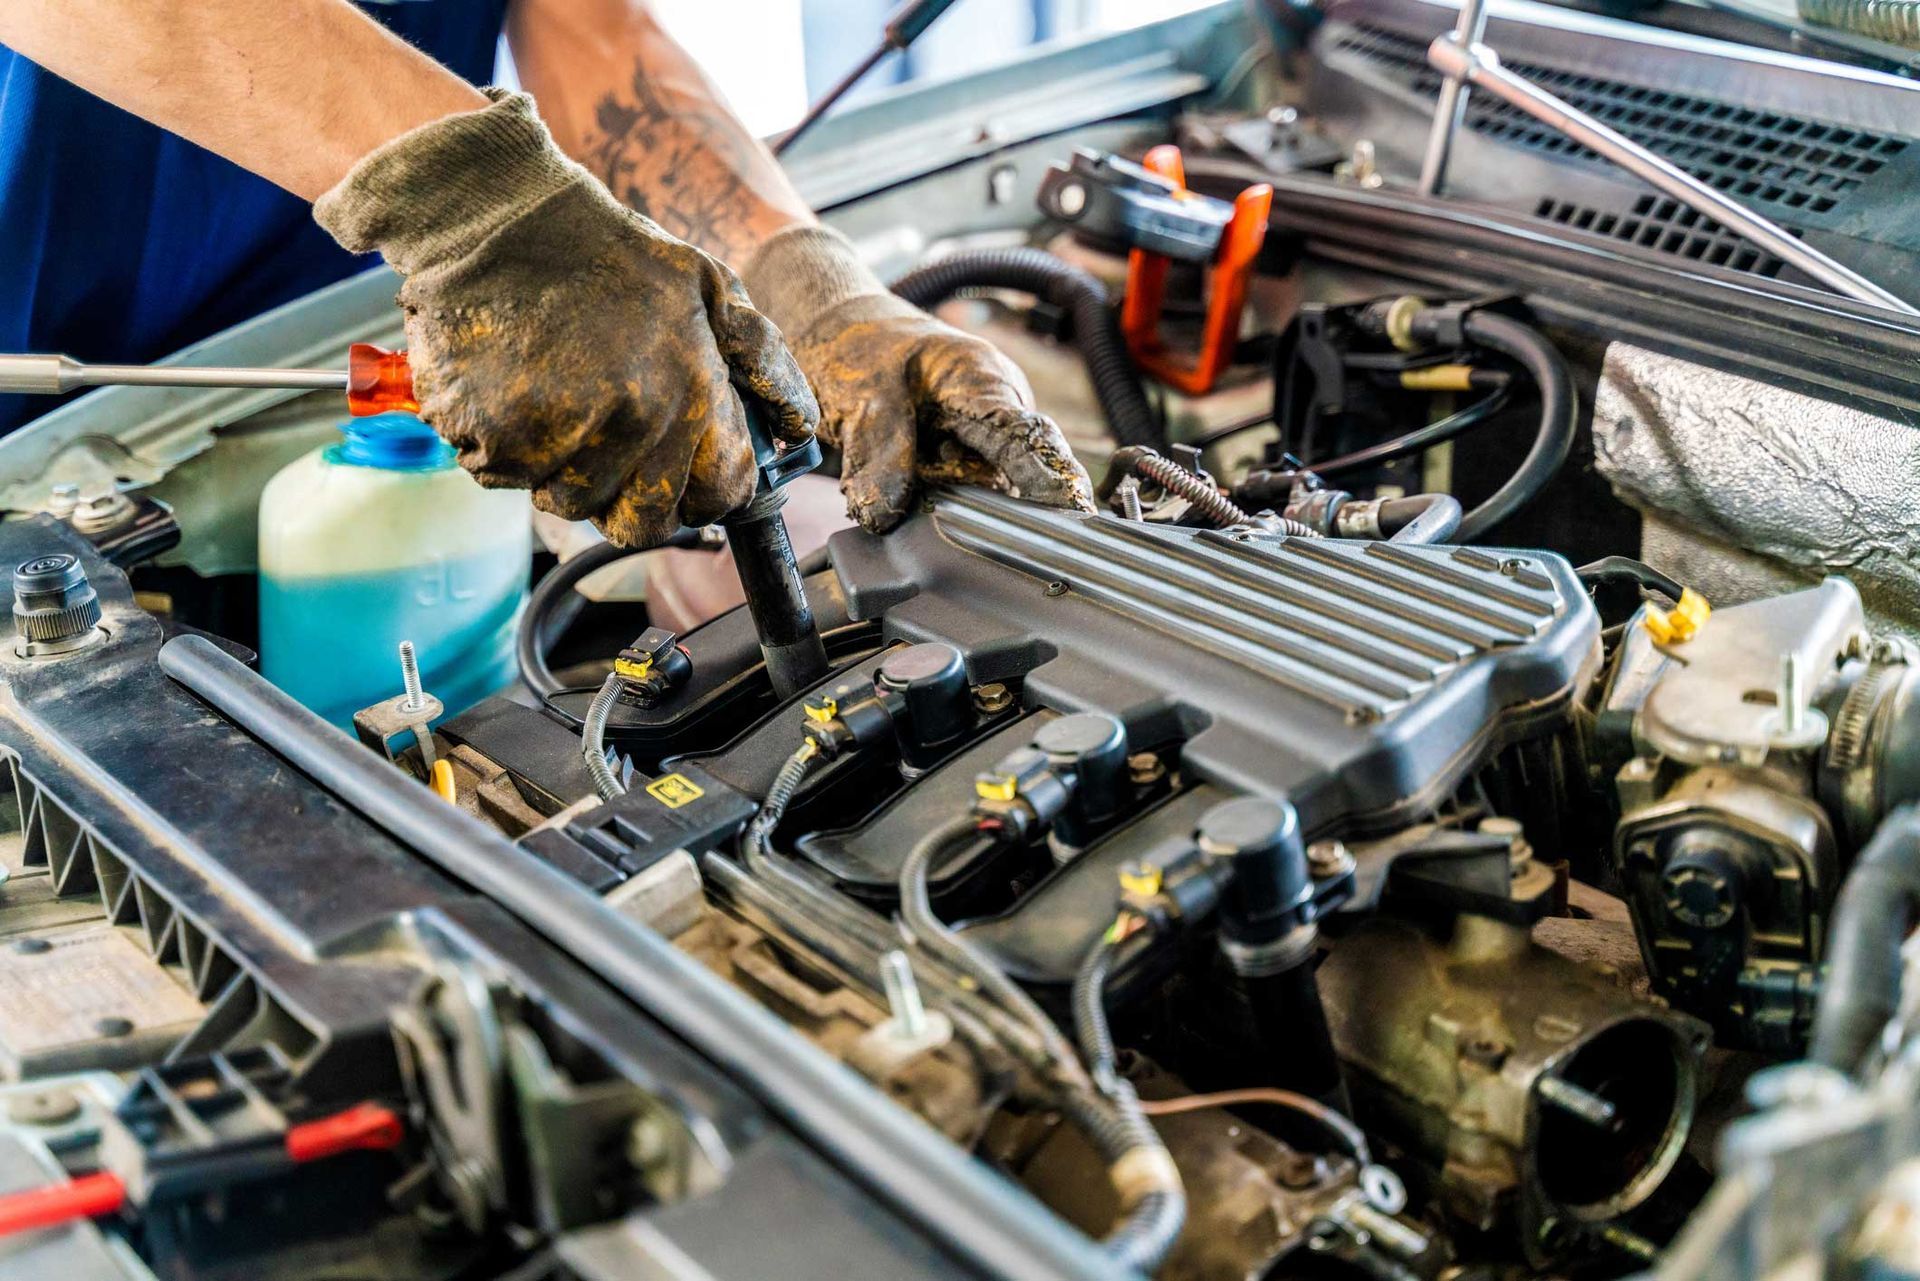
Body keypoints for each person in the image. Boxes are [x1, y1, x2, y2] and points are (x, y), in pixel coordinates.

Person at [0, 1, 1093, 546]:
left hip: (341, 380)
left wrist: (815, 287)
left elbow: (592, 37)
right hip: (41, 416)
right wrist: (474, 202)